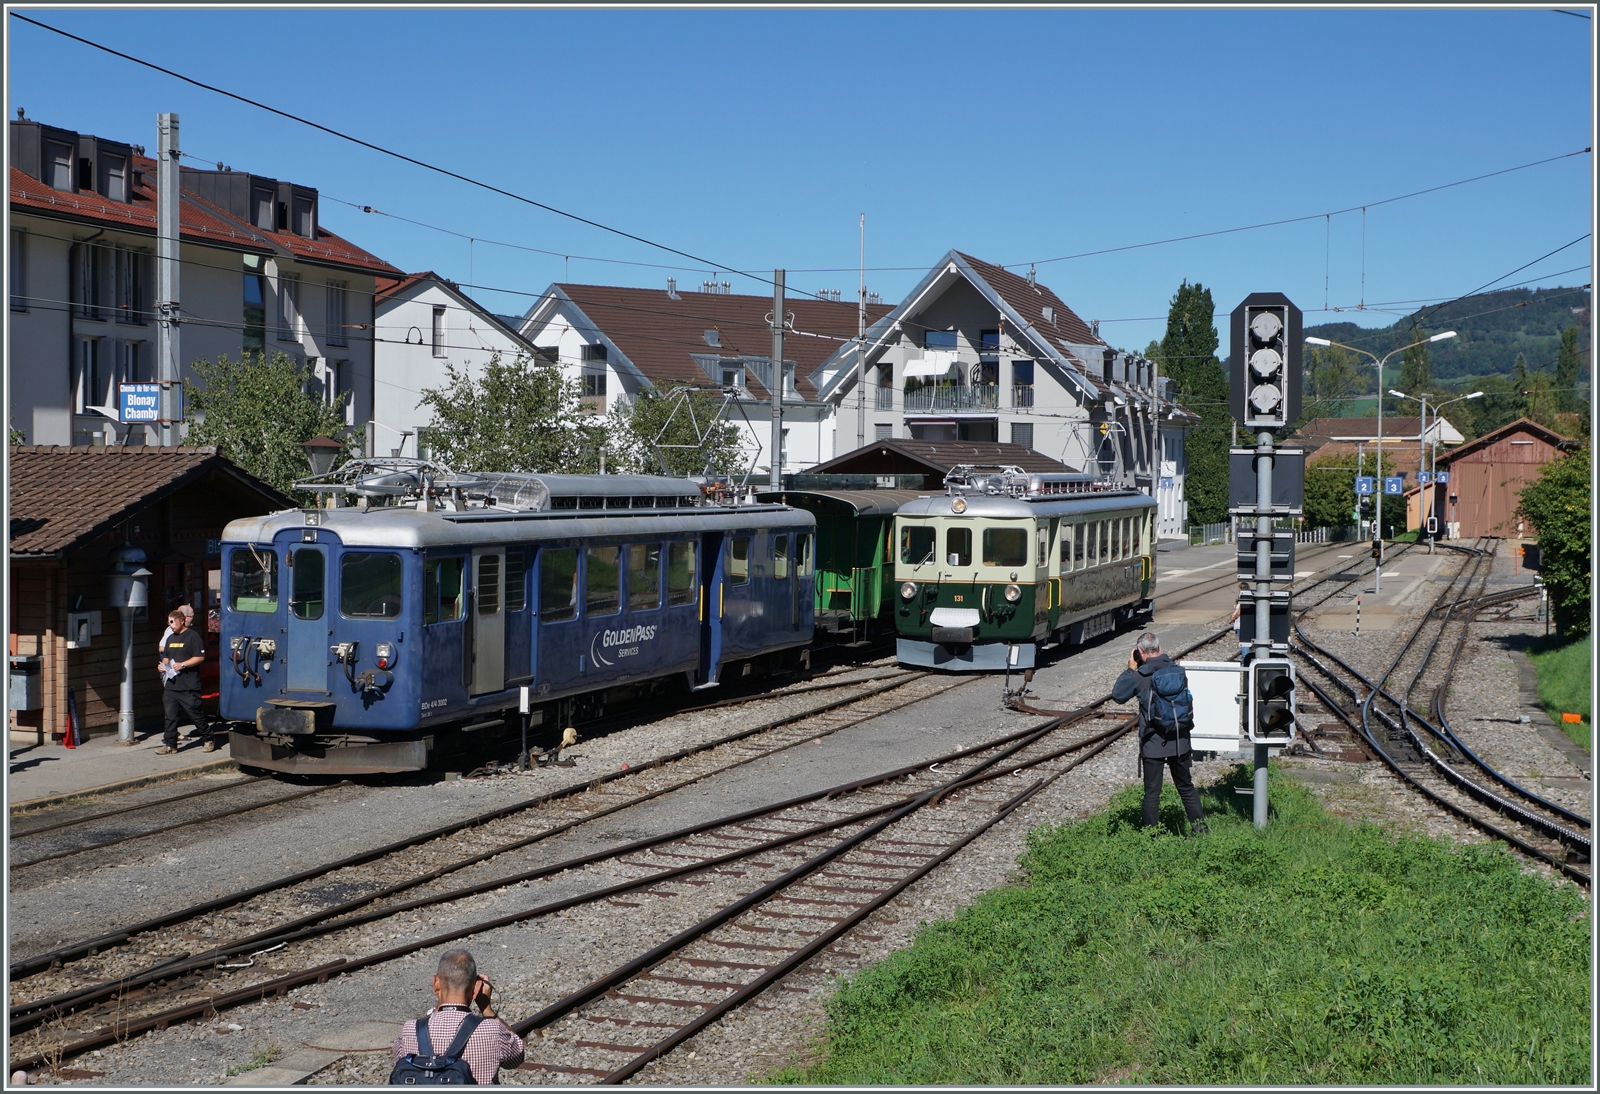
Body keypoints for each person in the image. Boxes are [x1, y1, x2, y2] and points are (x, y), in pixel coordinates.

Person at [1112, 631, 1207, 835]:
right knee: (1186, 787)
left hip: (1153, 742)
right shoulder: (1177, 671)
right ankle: (1200, 830)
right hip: (1180, 739)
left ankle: (1150, 838)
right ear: (1160, 649)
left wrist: (1130, 669)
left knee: (1152, 793)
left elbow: (1118, 696)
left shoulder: (1139, 676)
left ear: (1139, 652)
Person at [392, 950, 525, 1085]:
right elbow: (516, 1059)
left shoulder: (409, 1030)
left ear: (435, 983)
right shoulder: (492, 1029)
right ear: (476, 988)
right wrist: (487, 1009)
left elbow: (400, 1066)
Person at [156, 608, 212, 754]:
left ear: (182, 621)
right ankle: (170, 745)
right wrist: (163, 666)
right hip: (172, 685)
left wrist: (183, 664)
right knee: (170, 716)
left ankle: (208, 737)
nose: (171, 625)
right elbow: (167, 656)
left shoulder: (192, 637)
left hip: (188, 685)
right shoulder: (170, 638)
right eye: (169, 622)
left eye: (173, 622)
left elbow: (200, 657)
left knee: (195, 714)